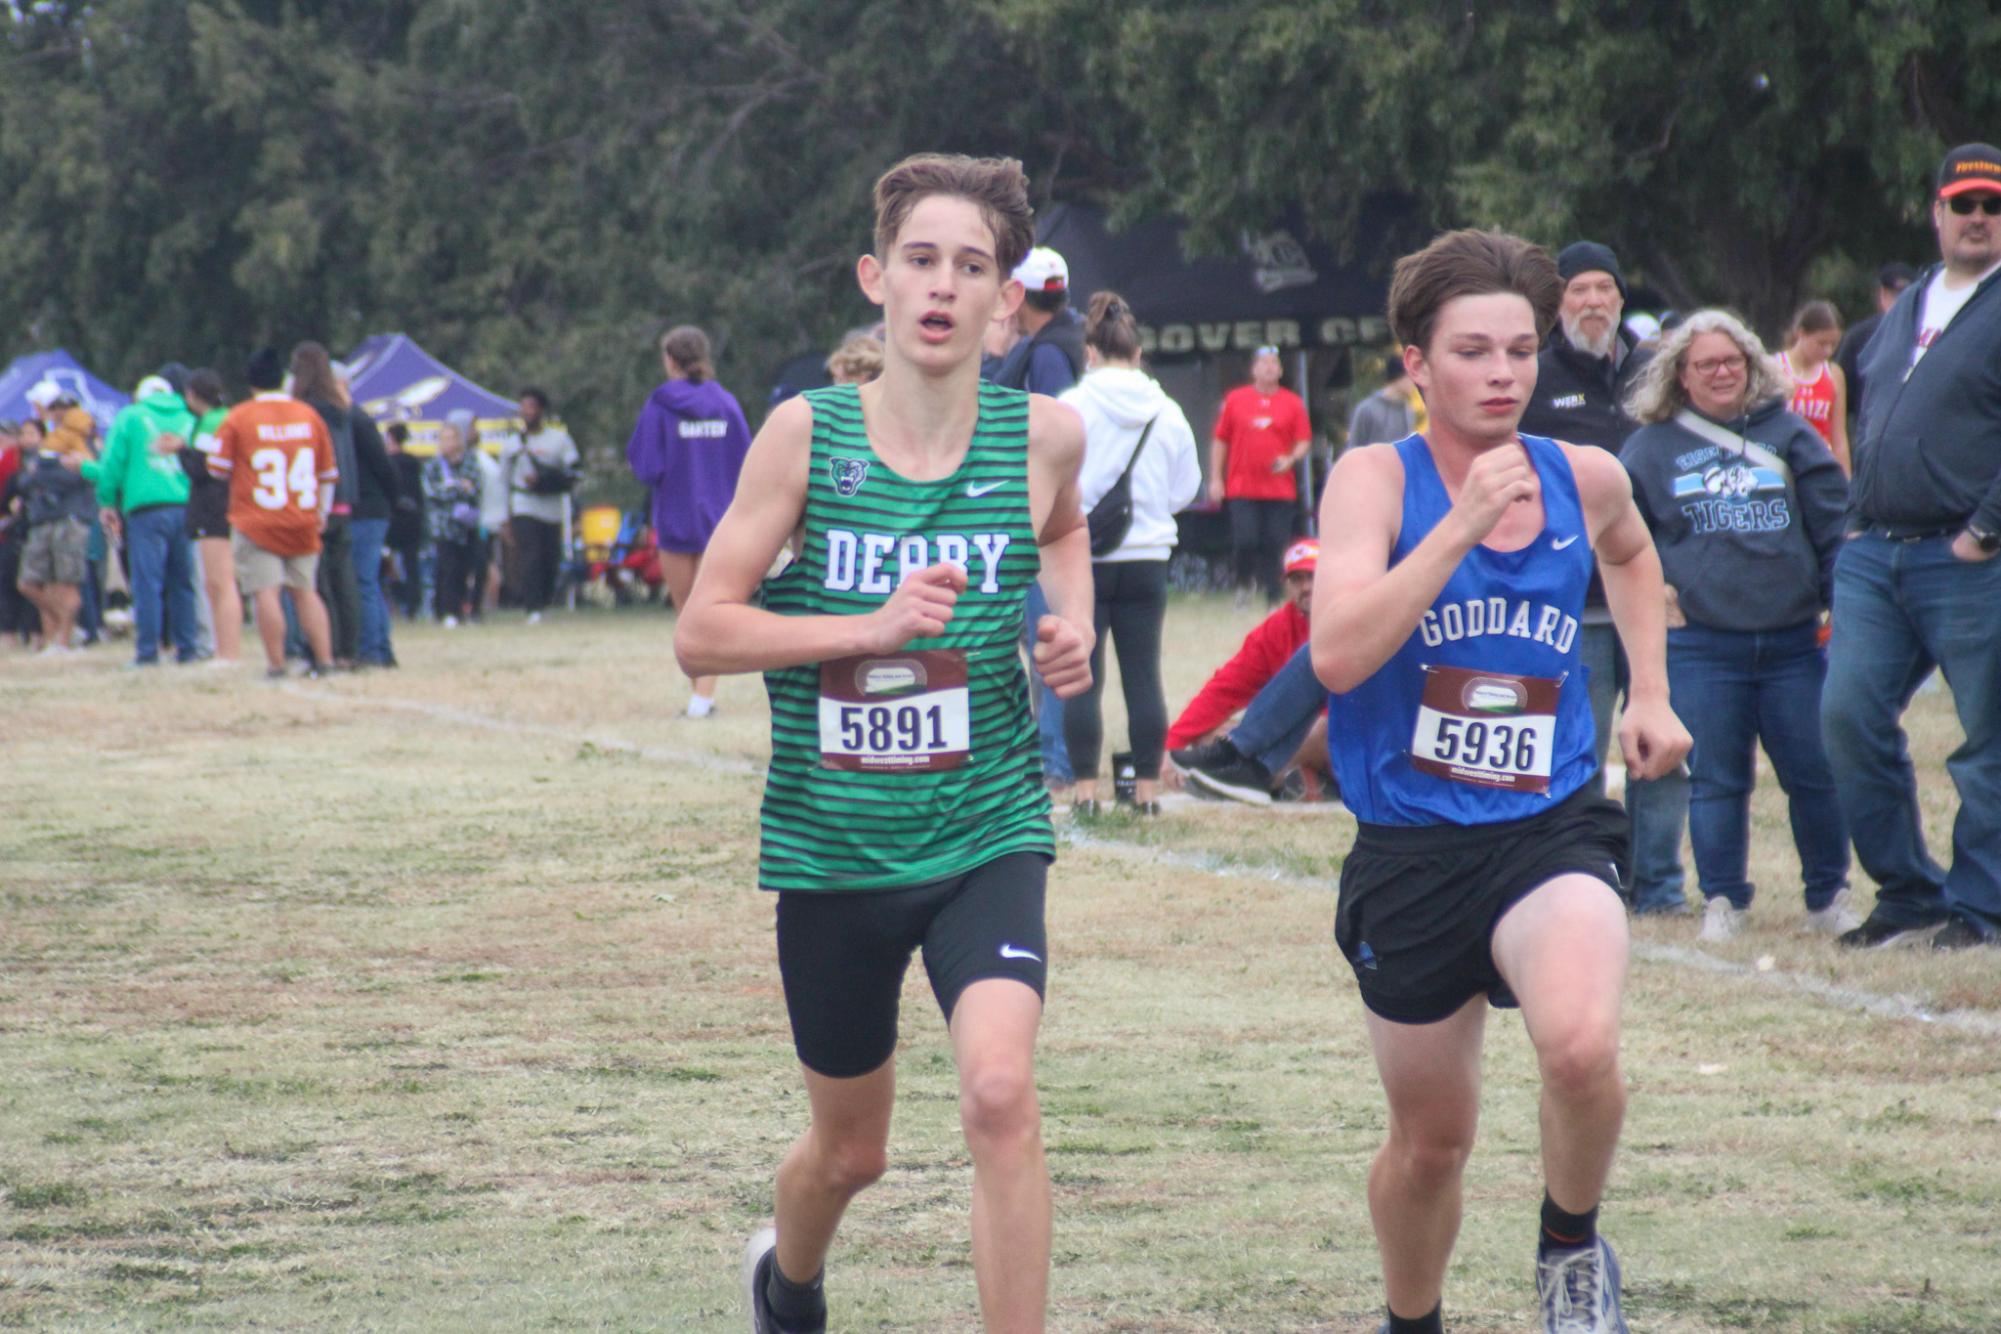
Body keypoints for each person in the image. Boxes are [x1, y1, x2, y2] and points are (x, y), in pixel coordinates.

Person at [673, 152, 1092, 1334]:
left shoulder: (1045, 435)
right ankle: (787, 1279)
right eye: (922, 261)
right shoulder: (805, 435)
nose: (944, 286)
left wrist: (1074, 630)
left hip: (985, 828)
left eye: (973, 266)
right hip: (835, 847)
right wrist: (867, 623)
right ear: (878, 278)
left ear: (1009, 298)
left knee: (1000, 1093)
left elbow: (1064, 535)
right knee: (850, 1151)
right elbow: (700, 632)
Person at [1314, 228, 1690, 1334]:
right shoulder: (1371, 481)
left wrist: (1648, 692)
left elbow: (1628, 552)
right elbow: (1337, 653)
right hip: (1413, 846)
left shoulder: (1586, 472)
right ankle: (1411, 1314)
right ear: (1416, 364)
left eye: (1520, 351)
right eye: (1473, 351)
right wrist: (1460, 526)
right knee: (1433, 1143)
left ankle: (1570, 1247)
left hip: (1550, 821)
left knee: (1580, 1043)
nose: (1503, 374)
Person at [1620, 310, 1853, 941]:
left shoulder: (1790, 433)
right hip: (1701, 644)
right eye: (1706, 365)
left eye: (1733, 362)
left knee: (1813, 771)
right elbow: (1621, 540)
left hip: (1793, 641)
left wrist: (1843, 603)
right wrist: (1656, 593)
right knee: (1718, 780)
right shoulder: (1649, 447)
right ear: (1681, 375)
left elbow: (1834, 522)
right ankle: (1723, 899)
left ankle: (1829, 896)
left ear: (1753, 366)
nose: (1722, 373)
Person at [1824, 142, 2001, 952]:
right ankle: (1907, 892)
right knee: (1846, 716)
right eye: (1961, 205)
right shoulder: (1907, 304)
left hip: (1969, 558)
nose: (1976, 219)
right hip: (1875, 552)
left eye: (1991, 207)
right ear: (1934, 213)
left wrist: (1984, 529)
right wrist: (1858, 515)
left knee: (1986, 739)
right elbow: (1866, 413)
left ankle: (1981, 906)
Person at [1518, 240, 1689, 916]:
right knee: (1575, 746)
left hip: (1653, 592)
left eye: (1603, 289)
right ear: (1557, 302)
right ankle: (1585, 877)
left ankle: (1659, 887)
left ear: (1621, 299)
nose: (1592, 301)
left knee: (1663, 742)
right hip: (1572, 598)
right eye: (1578, 289)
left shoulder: (1656, 374)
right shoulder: (1532, 377)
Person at [1058, 291, 1201, 816]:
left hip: (1084, 554)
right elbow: (1186, 489)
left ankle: (1084, 793)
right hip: (1147, 558)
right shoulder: (1168, 410)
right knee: (1143, 675)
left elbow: (1052, 480)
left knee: (1082, 676)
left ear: (1089, 353)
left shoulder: (1071, 407)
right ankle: (1145, 793)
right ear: (1138, 354)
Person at [987, 247, 1085, 788]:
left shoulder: (1046, 355)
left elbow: (1047, 440)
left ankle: (1052, 761)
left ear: (1020, 297)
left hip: (1044, 524)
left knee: (1044, 641)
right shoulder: (1069, 342)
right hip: (1068, 518)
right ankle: (1052, 755)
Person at [626, 325, 753, 717]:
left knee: (688, 613)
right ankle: (703, 697)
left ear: (670, 360)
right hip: (722, 521)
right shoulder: (727, 403)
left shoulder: (660, 405)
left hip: (676, 519)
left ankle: (701, 698)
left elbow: (646, 465)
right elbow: (748, 461)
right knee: (713, 611)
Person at [1171, 541, 1336, 804]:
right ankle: (1294, 778)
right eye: (1297, 579)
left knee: (1322, 725)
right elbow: (1226, 687)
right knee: (1209, 737)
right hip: (1280, 737)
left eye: (1313, 576)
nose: (1306, 587)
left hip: (1342, 734)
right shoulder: (1276, 629)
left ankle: (1262, 776)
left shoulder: (1347, 615)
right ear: (1286, 585)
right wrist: (1172, 743)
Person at [210, 348, 337, 678]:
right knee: (305, 592)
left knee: (266, 593)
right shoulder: (308, 416)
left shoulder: (238, 417)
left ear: (250, 383)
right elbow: (327, 474)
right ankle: (325, 661)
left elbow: (217, 469)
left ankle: (276, 664)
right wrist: (321, 511)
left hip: (257, 519)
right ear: (283, 379)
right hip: (303, 517)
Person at [89, 374, 198, 666]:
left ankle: (148, 650)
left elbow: (112, 463)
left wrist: (107, 500)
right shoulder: (189, 416)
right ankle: (187, 646)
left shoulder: (131, 417)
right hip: (185, 504)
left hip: (145, 507)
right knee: (182, 581)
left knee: (147, 582)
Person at [1209, 345, 1311, 605]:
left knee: (1276, 543)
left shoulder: (1293, 402)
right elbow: (1220, 440)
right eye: (1264, 363)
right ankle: (1244, 584)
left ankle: (1274, 596)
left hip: (1279, 489)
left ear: (1280, 369)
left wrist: (1291, 459)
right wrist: (1215, 478)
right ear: (1253, 369)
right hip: (1242, 486)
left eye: (1274, 363)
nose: (1269, 367)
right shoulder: (1236, 399)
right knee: (1245, 540)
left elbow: (1303, 440)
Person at [332, 362, 400, 666]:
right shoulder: (347, 419)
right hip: (368, 508)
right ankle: (381, 649)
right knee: (367, 580)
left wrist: (390, 500)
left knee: (363, 581)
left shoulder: (356, 420)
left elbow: (383, 465)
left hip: (368, 509)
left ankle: (372, 650)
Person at [175, 370, 242, 666]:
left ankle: (227, 652)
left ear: (191, 395)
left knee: (219, 582)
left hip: (213, 507)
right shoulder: (226, 417)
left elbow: (201, 468)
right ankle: (222, 650)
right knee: (218, 583)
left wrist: (179, 450)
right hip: (223, 504)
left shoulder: (210, 422)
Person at [13, 418, 94, 655]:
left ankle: (63, 641)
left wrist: (43, 475)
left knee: (65, 583)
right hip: (41, 522)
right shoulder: (38, 457)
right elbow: (23, 483)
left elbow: (79, 477)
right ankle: (65, 625)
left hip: (69, 520)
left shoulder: (79, 449)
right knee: (29, 583)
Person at [502, 387, 581, 625]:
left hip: (551, 508)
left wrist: (546, 480)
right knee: (530, 556)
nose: (527, 411)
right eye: (523, 406)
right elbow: (503, 481)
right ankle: (532, 606)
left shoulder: (559, 440)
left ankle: (545, 603)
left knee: (549, 558)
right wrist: (504, 517)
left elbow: (574, 472)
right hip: (523, 505)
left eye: (532, 406)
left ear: (542, 410)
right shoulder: (512, 444)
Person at [1834, 261, 1917, 437]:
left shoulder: (1926, 336)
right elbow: (1840, 397)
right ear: (1883, 295)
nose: (1901, 302)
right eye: (1895, 295)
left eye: (1907, 295)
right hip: (1869, 435)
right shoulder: (1859, 337)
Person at [1778, 300, 1852, 474]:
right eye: (1821, 343)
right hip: (1784, 462)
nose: (1827, 351)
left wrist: (1846, 481)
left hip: (1819, 465)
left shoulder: (1833, 374)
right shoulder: (1775, 368)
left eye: (1833, 344)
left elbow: (1839, 437)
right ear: (1801, 334)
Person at [425, 422, 487, 627]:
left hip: (466, 525)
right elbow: (432, 493)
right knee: (446, 568)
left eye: (453, 437)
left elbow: (474, 489)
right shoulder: (433, 465)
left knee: (464, 568)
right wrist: (459, 487)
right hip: (443, 526)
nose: (449, 442)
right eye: (445, 438)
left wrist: (452, 488)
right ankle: (445, 611)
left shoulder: (470, 462)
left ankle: (460, 610)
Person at [383, 423, 427, 619]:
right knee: (412, 564)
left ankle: (391, 599)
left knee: (385, 561)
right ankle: (413, 605)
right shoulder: (414, 463)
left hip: (392, 518)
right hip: (413, 518)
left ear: (390, 438)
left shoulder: (387, 463)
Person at [1348, 359, 1420, 448]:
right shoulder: (1366, 409)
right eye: (1410, 377)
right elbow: (1353, 448)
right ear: (1399, 377)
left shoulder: (1408, 411)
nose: (1414, 383)